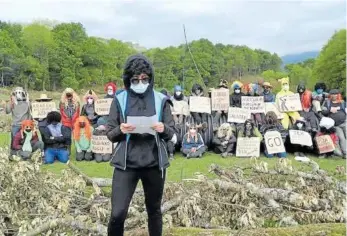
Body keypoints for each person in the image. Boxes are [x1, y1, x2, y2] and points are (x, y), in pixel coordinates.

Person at [106, 54, 176, 236]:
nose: (140, 82)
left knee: (154, 210)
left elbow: (172, 131)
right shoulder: (120, 100)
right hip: (126, 164)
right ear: (128, 80)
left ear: (150, 78)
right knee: (117, 213)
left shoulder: (161, 100)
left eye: (144, 79)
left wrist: (163, 128)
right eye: (135, 80)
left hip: (154, 163)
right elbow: (110, 133)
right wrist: (121, 129)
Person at [321, 89, 346, 156]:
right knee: (341, 138)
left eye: (335, 94)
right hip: (336, 125)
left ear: (338, 95)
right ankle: (345, 153)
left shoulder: (342, 102)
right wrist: (330, 110)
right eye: (332, 94)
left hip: (345, 122)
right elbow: (323, 112)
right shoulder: (327, 102)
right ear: (330, 95)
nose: (334, 96)